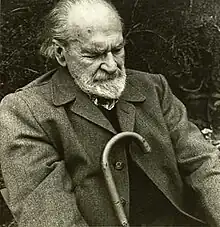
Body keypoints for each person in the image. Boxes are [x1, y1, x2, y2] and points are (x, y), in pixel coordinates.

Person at [0, 0, 220, 226]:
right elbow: (51, 218)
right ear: (60, 53)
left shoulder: (153, 88)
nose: (112, 66)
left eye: (117, 49)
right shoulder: (25, 112)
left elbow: (202, 163)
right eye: (94, 55)